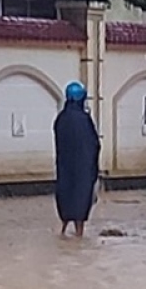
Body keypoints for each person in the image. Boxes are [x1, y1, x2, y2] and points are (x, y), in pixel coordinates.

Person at [54, 80, 100, 237]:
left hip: (64, 168)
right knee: (80, 202)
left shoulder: (61, 119)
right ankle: (79, 235)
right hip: (83, 169)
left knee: (66, 198)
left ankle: (63, 232)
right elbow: (94, 144)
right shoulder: (84, 119)